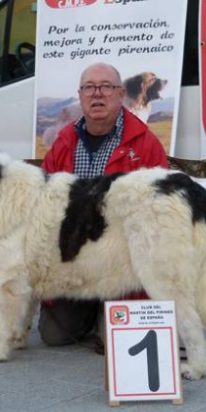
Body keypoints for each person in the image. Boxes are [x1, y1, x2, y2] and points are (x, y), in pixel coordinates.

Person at [39, 62, 169, 348]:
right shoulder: (62, 142)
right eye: (89, 88)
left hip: (123, 263)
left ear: (121, 93)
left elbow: (161, 212)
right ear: (80, 95)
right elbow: (43, 207)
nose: (97, 95)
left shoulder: (145, 143)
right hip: (73, 260)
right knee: (54, 336)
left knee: (116, 342)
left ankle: (109, 312)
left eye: (106, 87)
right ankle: (89, 312)